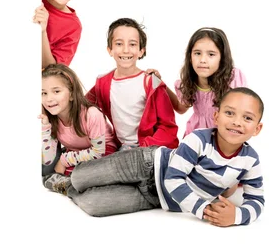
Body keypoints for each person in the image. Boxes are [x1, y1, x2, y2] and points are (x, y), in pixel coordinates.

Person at [46, 87, 264, 227]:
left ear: (257, 128)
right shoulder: (199, 139)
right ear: (216, 116)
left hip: (156, 198)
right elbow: (173, 179)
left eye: (247, 118)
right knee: (81, 177)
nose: (236, 122)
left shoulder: (250, 160)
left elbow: (257, 200)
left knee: (93, 205)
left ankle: (66, 187)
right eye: (229, 113)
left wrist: (236, 217)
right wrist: (204, 209)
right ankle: (76, 177)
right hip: (148, 164)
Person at [86, 18, 179, 150]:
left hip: (149, 149)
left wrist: (145, 147)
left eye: (132, 44)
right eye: (119, 44)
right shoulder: (103, 83)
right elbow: (81, 107)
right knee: (86, 168)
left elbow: (168, 127)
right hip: (121, 148)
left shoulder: (151, 82)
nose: (125, 50)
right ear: (109, 50)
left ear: (141, 51)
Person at [149, 27, 246, 137]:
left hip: (223, 136)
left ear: (222, 58)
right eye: (197, 53)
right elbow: (180, 108)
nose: (203, 60)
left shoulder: (232, 78)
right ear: (190, 57)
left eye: (211, 54)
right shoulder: (188, 82)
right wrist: (161, 83)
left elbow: (241, 111)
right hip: (195, 135)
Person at [40, 64, 116, 179]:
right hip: (77, 152)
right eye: (43, 93)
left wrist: (64, 160)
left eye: (56, 91)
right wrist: (45, 127)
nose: (49, 99)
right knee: (46, 170)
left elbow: (98, 152)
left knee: (80, 176)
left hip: (103, 152)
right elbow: (48, 160)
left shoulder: (91, 114)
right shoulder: (52, 118)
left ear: (71, 94)